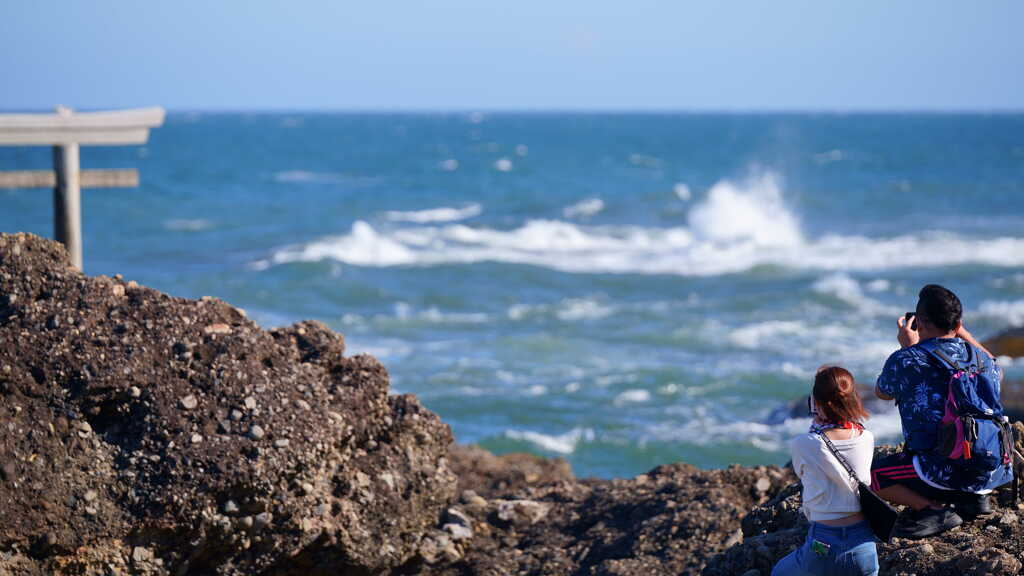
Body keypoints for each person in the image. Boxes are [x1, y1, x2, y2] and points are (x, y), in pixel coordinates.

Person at [872, 284, 1012, 539]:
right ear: (957, 323)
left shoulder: (906, 359)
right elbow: (997, 369)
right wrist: (963, 333)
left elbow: (883, 391)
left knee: (870, 476)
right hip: (991, 471)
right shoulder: (982, 360)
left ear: (920, 323)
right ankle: (974, 499)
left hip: (941, 472)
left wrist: (907, 348)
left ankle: (932, 510)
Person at [773, 366, 879, 576]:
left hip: (823, 543)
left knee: (779, 572)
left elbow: (805, 472)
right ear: (853, 399)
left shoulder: (804, 443)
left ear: (816, 402)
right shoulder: (867, 438)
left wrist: (817, 424)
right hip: (864, 544)